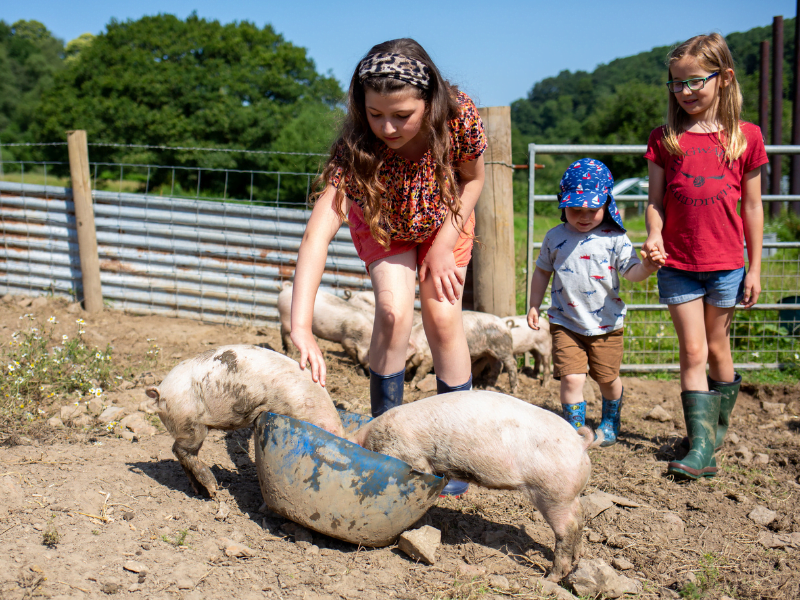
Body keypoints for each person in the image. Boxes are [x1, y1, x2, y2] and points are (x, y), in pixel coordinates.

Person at [290, 38, 486, 497]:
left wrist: (442, 243)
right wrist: (301, 327)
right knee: (394, 312)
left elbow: (474, 180)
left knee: (441, 314)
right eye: (376, 114)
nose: (388, 127)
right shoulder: (358, 145)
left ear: (430, 100)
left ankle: (456, 444)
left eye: (402, 115)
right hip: (385, 221)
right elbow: (317, 235)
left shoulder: (460, 118)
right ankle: (385, 436)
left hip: (448, 215)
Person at [643, 33, 768, 480]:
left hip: (727, 265)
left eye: (695, 81)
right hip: (678, 265)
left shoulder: (745, 137)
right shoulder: (666, 139)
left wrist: (754, 267)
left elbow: (752, 206)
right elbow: (655, 202)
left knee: (718, 350)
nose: (685, 92)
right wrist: (654, 233)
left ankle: (712, 434)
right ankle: (700, 448)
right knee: (692, 350)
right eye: (676, 84)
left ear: (724, 78)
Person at [527, 158, 662, 446]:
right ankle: (574, 431)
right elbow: (541, 272)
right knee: (572, 379)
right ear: (563, 205)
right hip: (566, 322)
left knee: (607, 379)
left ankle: (610, 422)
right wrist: (534, 305)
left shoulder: (616, 239)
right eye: (576, 209)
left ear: (607, 205)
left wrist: (648, 267)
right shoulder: (555, 237)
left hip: (606, 324)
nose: (584, 216)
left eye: (593, 209)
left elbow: (632, 272)